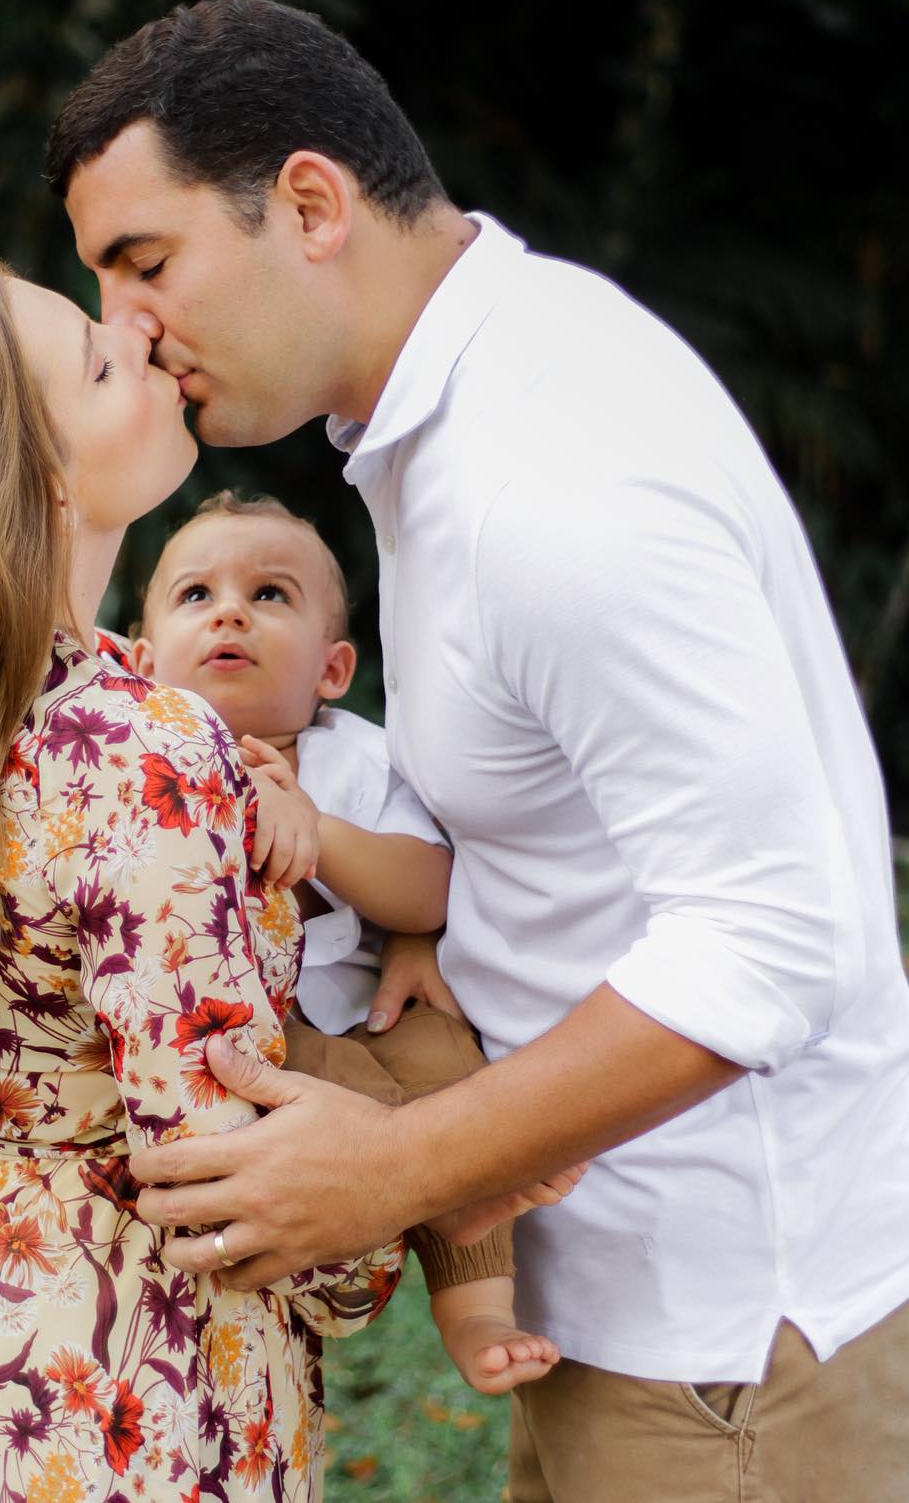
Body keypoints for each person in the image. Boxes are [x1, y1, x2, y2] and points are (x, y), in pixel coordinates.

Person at [44, 0, 909, 1500]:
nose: (127, 327)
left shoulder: (552, 468)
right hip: (638, 1331)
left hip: (736, 1359)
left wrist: (397, 1166)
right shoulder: (455, 406)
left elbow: (781, 933)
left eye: (147, 262)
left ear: (310, 203)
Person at [0, 245, 403, 1503]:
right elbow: (212, 1151)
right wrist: (387, 1217)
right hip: (134, 1375)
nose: (138, 338)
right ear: (36, 482)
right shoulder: (142, 744)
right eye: (102, 364)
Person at [130, 486, 577, 1396]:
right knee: (341, 1104)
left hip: (372, 1011)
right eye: (195, 594)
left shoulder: (355, 757)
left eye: (269, 595)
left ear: (332, 670)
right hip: (255, 1046)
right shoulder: (143, 761)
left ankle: (476, 1307)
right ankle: (433, 1187)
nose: (229, 611)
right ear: (141, 667)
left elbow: (432, 887)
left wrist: (320, 830)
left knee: (455, 1064)